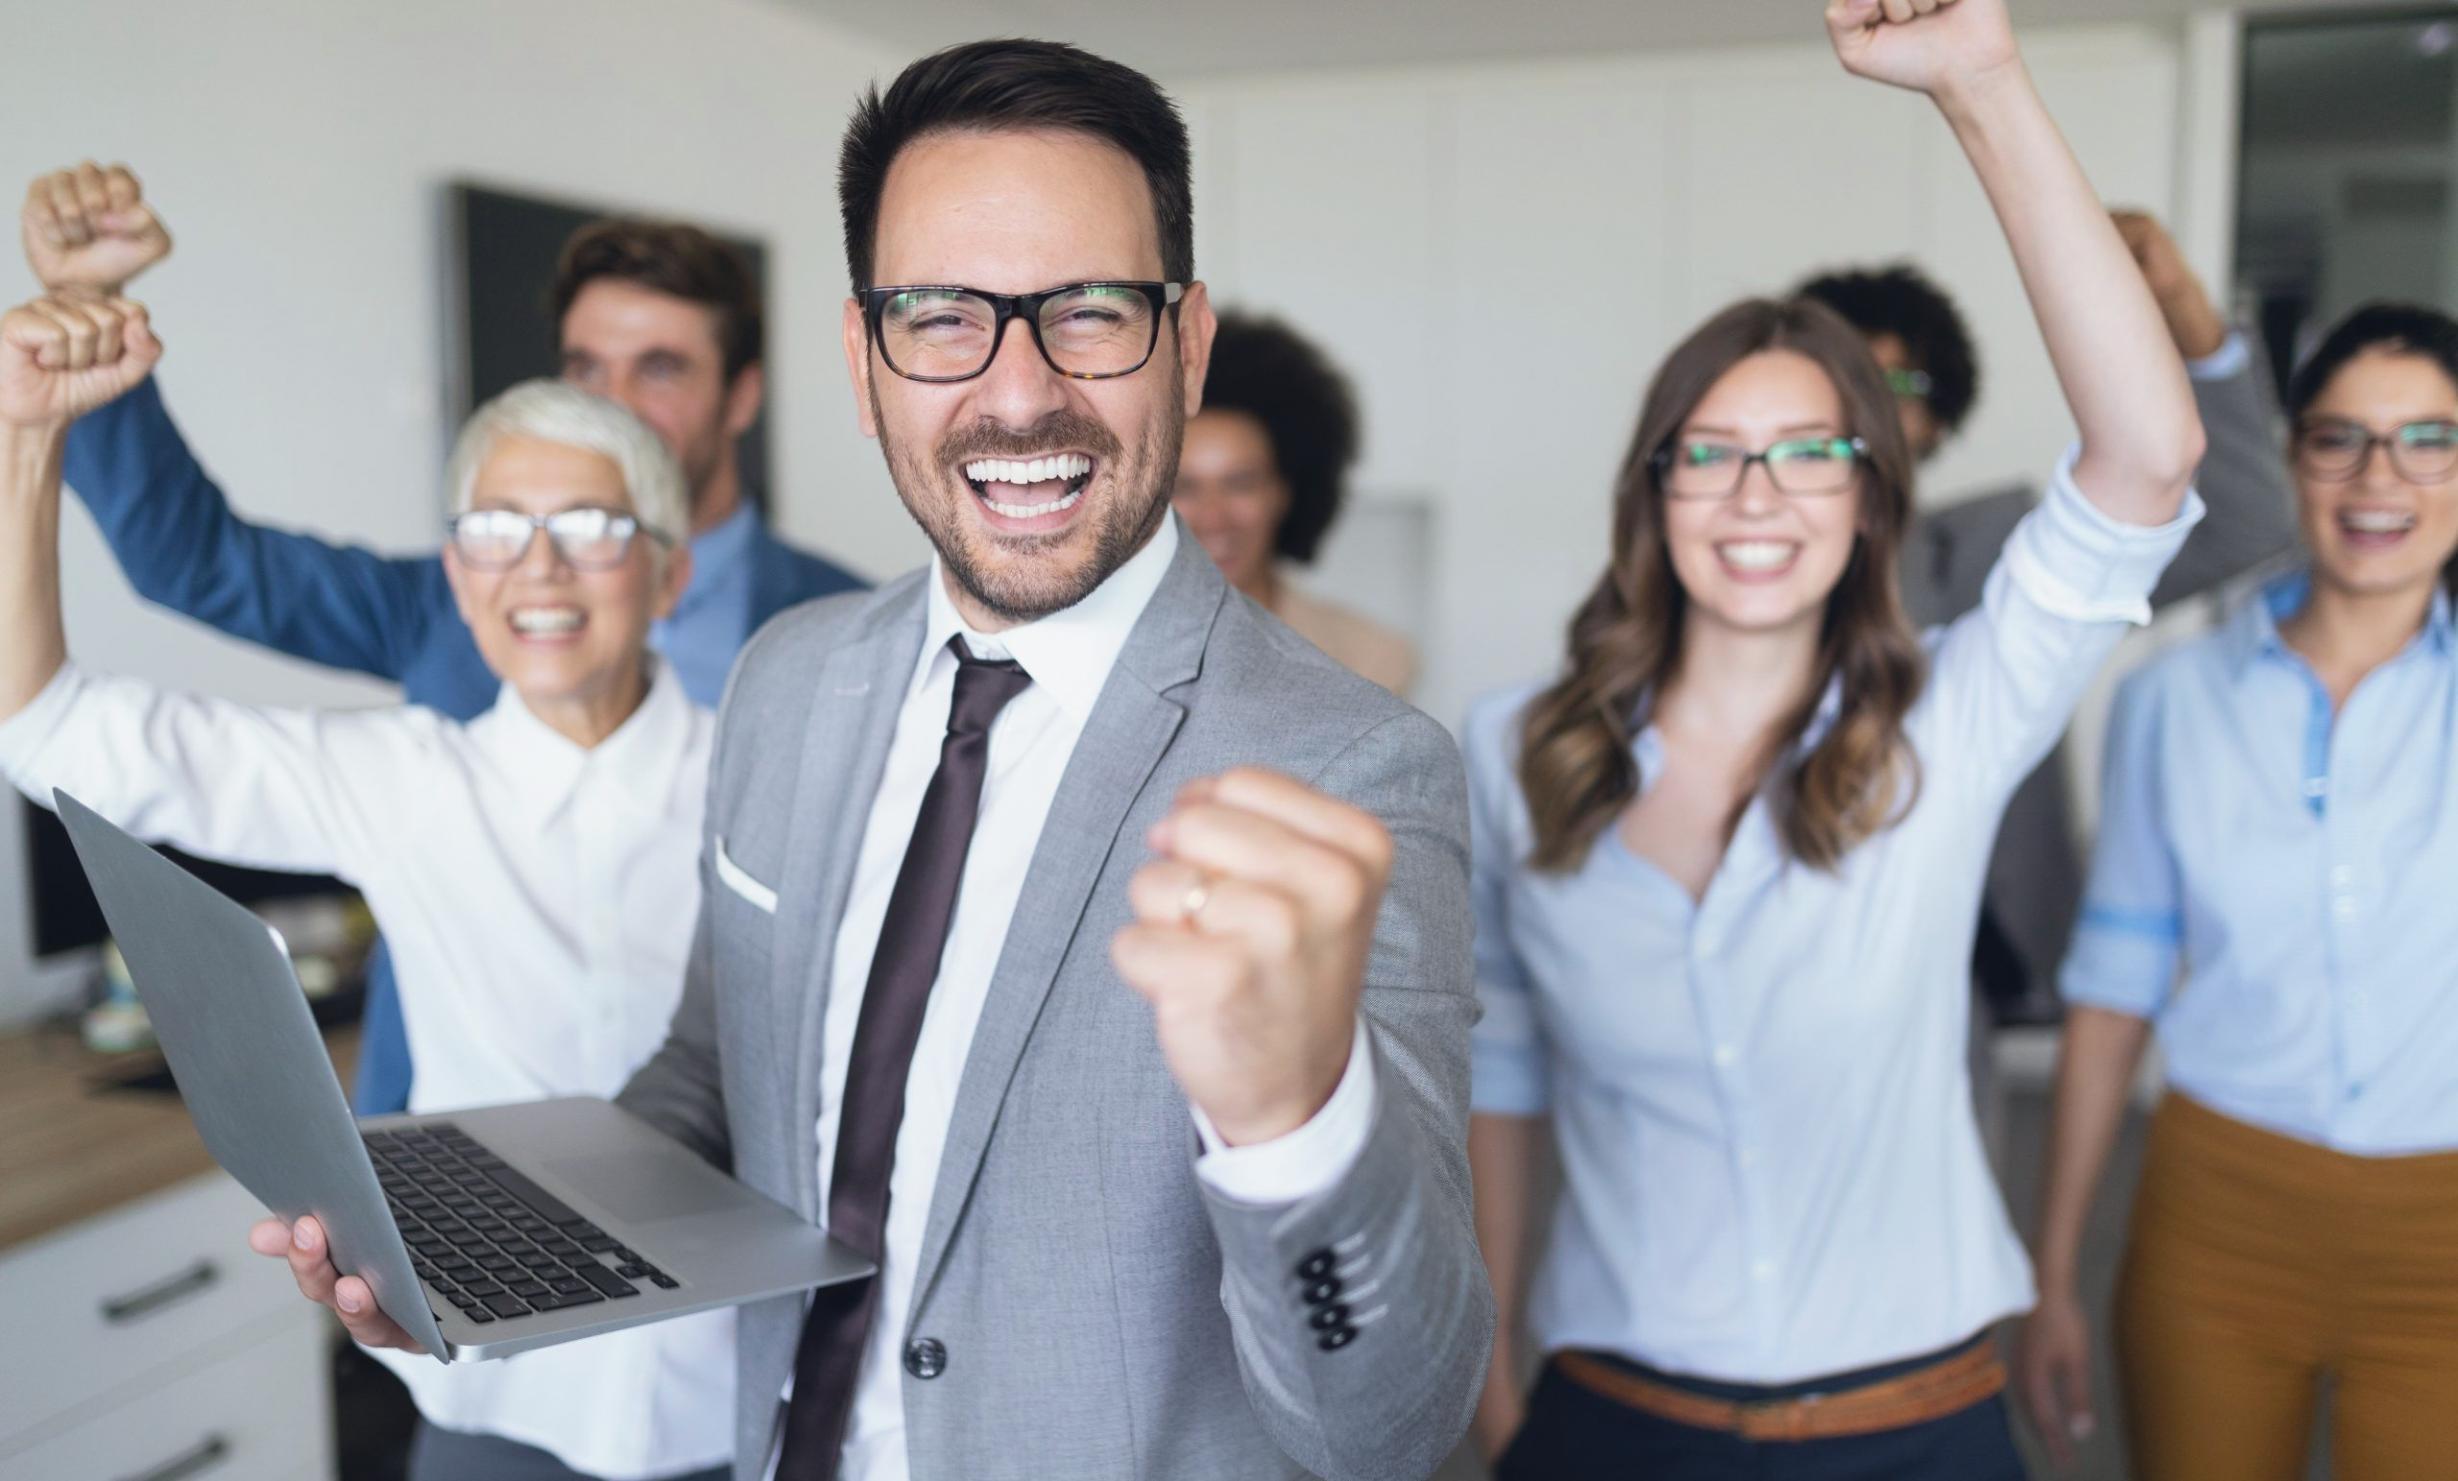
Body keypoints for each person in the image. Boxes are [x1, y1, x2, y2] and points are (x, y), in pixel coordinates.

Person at [254, 37, 1491, 1481]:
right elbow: (716, 1077)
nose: (1019, 393)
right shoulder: (787, 680)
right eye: (940, 316)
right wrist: (482, 1252)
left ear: (1188, 342)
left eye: (1089, 311)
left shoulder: (1352, 766)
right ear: (862, 359)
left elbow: (1390, 1428)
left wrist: (1293, 1125)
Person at [1465, 1, 2208, 1475]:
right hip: (1608, 1421)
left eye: (1811, 454)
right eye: (1714, 456)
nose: (1758, 496)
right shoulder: (1512, 749)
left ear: (1870, 498)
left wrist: (1978, 83)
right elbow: (1504, 1074)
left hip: (1911, 1427)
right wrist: (1491, 1365)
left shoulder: (1950, 714)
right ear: (1654, 492)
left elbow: (2147, 456)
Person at [0, 293, 734, 1481]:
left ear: (668, 570)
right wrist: (26, 438)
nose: (536, 566)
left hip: (750, 1393)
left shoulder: (772, 772)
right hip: (495, 1392)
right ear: (455, 568)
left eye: (590, 524)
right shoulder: (404, 779)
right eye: (495, 527)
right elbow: (46, 731)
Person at [21, 165, 869, 1117]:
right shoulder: (452, 601)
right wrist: (83, 322)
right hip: (468, 1161)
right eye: (587, 368)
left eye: (660, 368)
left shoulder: (845, 630)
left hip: (734, 1153)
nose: (614, 402)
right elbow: (198, 565)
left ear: (741, 396)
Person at [2018, 302, 2458, 1481]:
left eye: (2429, 440)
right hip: (2215, 1214)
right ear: (2292, 456)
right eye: (2341, 438)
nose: (2381, 478)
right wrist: (2054, 1271)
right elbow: (2112, 991)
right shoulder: (2174, 700)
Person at [1799, 214, 2299, 1020]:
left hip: (1950, 972)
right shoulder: (1718, 554)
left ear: (1938, 419)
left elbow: (2245, 522)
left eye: (1897, 385)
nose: (1865, 410)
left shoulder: (2002, 551)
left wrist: (2184, 312)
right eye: (1838, 380)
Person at [1173, 311, 1416, 693]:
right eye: (1184, 487)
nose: (1213, 516)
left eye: (1241, 483)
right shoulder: (1096, 650)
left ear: (1287, 490)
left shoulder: (1371, 657)